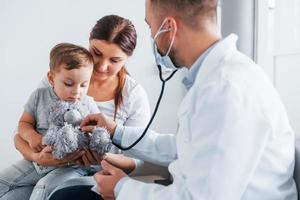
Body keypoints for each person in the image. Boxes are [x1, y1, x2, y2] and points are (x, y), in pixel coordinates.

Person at [49, 0, 297, 200]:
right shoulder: (217, 78)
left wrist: (122, 189)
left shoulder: (226, 89)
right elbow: (182, 147)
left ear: (168, 27)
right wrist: (116, 132)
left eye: (150, 26)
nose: (151, 36)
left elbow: (202, 197)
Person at [8, 15, 151, 200]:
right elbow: (21, 132)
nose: (101, 66)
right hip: (43, 166)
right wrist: (37, 157)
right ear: (89, 41)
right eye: (97, 53)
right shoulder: (63, 75)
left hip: (93, 175)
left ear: (127, 59)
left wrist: (102, 157)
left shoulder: (133, 96)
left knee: (52, 194)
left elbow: (137, 159)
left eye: (114, 60)